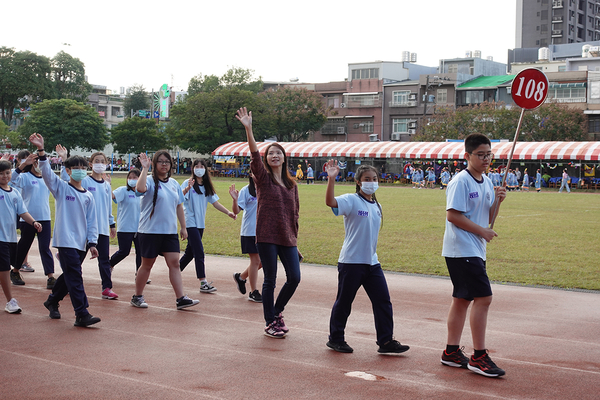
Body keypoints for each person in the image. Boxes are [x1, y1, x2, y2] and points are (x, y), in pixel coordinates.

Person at [324, 159, 410, 354]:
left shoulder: (376, 206)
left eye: (374, 178)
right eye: (367, 179)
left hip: (372, 262)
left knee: (383, 301)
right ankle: (336, 338)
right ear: (358, 182)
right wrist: (331, 179)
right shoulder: (351, 200)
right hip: (352, 262)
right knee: (344, 302)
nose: (371, 182)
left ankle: (386, 341)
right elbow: (330, 202)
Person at [440, 133, 506, 378]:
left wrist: (498, 202)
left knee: (462, 299)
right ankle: (479, 356)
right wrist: (482, 232)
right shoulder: (461, 181)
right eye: (481, 154)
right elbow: (453, 215)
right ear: (467, 156)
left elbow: (487, 217)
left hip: (474, 249)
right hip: (462, 249)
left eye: (489, 154)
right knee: (484, 298)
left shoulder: (487, 181)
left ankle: (451, 351)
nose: (486, 158)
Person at [236, 107, 301, 338]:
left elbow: (295, 215)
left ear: (284, 158)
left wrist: (296, 243)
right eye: (271, 153)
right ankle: (270, 322)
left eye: (278, 153)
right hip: (266, 236)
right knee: (270, 280)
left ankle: (276, 311)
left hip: (287, 238)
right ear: (267, 159)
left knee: (294, 277)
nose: (275, 156)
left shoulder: (292, 185)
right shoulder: (262, 179)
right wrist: (249, 128)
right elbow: (254, 155)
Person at [29, 133, 101, 327]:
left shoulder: (88, 196)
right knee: (76, 276)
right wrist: (41, 150)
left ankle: (52, 300)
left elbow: (92, 221)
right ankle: (81, 313)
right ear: (67, 171)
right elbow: (46, 173)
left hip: (82, 242)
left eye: (82, 168)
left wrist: (92, 243)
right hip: (65, 240)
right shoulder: (61, 188)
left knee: (70, 273)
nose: (79, 171)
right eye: (75, 168)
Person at [131, 151, 199, 310]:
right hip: (149, 231)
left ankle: (180, 298)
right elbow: (139, 189)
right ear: (154, 164)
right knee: (147, 265)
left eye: (167, 162)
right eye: (160, 162)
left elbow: (179, 205)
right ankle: (137, 296)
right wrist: (144, 168)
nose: (164, 164)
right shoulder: (148, 180)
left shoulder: (174, 183)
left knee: (175, 263)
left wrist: (183, 227)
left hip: (169, 232)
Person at [58, 147, 118, 300]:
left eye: (102, 161)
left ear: (106, 164)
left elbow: (108, 206)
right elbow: (67, 182)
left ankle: (107, 288)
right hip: (85, 228)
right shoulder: (84, 180)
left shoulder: (106, 184)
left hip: (102, 227)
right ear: (90, 164)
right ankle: (67, 285)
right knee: (76, 263)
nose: (99, 164)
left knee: (104, 259)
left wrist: (111, 224)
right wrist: (64, 159)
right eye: (96, 161)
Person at [179, 158, 236, 293]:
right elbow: (179, 198)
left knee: (190, 253)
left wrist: (228, 212)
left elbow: (215, 202)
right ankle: (203, 282)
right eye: (196, 166)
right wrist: (187, 188)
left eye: (202, 166)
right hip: (190, 222)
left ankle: (174, 271)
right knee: (199, 252)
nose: (199, 168)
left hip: (200, 223)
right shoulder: (187, 183)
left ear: (206, 169)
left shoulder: (207, 186)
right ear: (192, 169)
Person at [0, 159, 42, 314]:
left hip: (10, 237)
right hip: (0, 239)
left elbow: (23, 212)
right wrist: (22, 165)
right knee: (4, 269)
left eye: (7, 173)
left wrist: (33, 222)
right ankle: (10, 301)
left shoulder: (15, 193)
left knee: (5, 267)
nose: (5, 176)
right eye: (1, 174)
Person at [10, 151, 56, 289]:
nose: (38, 165)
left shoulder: (47, 178)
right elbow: (12, 179)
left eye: (40, 162)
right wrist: (24, 164)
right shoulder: (24, 177)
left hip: (45, 218)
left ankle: (50, 276)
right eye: (35, 162)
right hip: (28, 218)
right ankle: (15, 271)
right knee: (24, 245)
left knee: (44, 247)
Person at [229, 175, 263, 302]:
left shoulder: (267, 188)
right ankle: (254, 292)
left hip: (264, 232)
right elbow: (236, 211)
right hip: (250, 231)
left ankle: (241, 277)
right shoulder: (246, 190)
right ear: (250, 174)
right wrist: (234, 200)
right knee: (255, 260)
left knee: (264, 261)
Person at [109, 169, 142, 275]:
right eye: (130, 178)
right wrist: (108, 184)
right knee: (124, 251)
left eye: (135, 178)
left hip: (140, 228)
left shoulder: (143, 193)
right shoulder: (123, 190)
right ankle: (109, 265)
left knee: (140, 252)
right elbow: (112, 196)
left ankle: (140, 274)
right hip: (125, 227)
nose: (132, 180)